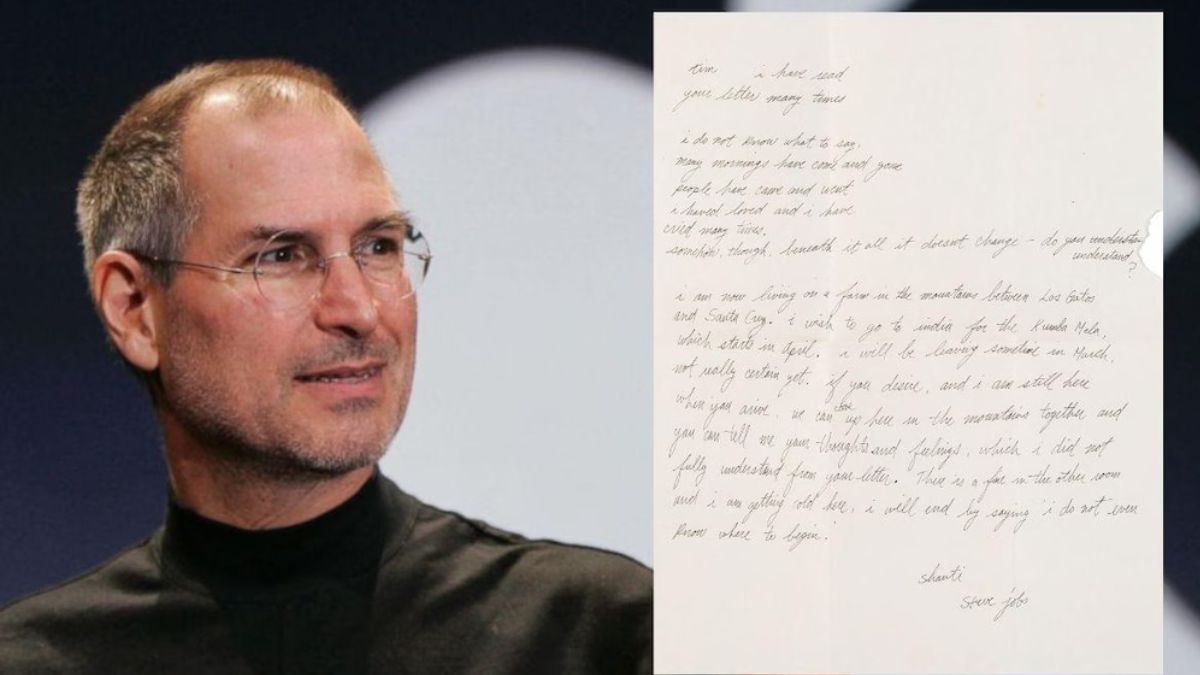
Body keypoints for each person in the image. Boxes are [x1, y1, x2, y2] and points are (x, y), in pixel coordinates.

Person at [0, 59, 651, 674]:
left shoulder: (600, 635)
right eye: (281, 256)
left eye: (378, 247)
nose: (359, 309)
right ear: (136, 309)